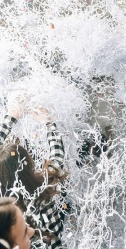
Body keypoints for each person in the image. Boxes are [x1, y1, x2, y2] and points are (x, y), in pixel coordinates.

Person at [0, 95, 67, 248]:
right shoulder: (44, 189)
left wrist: (11, 116)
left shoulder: (4, 206)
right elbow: (57, 156)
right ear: (29, 163)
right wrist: (48, 122)